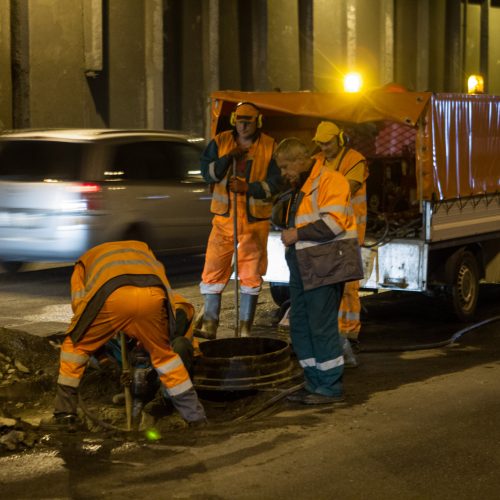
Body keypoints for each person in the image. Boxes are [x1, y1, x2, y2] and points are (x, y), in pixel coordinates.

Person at [41, 240, 207, 431]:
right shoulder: (144, 250)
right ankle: (196, 418)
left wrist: (101, 349)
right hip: (153, 295)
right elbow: (164, 287)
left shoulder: (84, 263)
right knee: (166, 358)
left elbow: (81, 310)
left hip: (112, 295)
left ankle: (64, 416)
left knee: (75, 346)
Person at [273, 138, 364, 404]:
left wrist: (296, 233)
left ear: (301, 161)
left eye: (285, 166)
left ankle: (330, 386)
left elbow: (334, 224)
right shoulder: (302, 184)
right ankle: (313, 381)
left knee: (320, 326)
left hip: (324, 264)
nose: (283, 173)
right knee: (300, 324)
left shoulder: (330, 180)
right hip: (305, 264)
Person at [198, 101, 282, 338]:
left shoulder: (269, 146)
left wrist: (249, 188)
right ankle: (210, 325)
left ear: (258, 122)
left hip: (255, 223)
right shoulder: (221, 142)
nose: (244, 126)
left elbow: (277, 182)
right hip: (224, 220)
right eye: (240, 120)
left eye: (249, 121)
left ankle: (245, 328)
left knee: (251, 274)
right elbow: (207, 172)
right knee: (213, 269)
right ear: (234, 120)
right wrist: (227, 159)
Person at [312, 121, 368, 365]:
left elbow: (348, 188)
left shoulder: (355, 160)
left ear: (340, 139)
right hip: (324, 231)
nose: (325, 148)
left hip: (348, 231)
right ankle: (333, 332)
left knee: (347, 285)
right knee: (327, 283)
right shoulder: (317, 161)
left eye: (328, 143)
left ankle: (350, 332)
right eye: (321, 144)